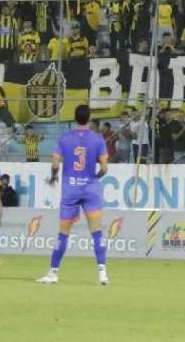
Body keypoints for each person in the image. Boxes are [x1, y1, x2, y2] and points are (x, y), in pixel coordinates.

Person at [36, 103, 110, 286]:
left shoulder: (65, 138)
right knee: (97, 233)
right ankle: (102, 274)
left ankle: (53, 273)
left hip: (70, 190)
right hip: (90, 189)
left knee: (63, 234)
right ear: (89, 118)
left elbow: (54, 164)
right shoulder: (98, 139)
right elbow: (104, 168)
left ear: (75, 118)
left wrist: (54, 177)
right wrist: (94, 177)